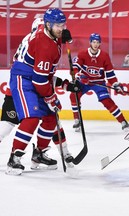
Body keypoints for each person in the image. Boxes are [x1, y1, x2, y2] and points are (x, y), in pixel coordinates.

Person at [6, 8, 80, 175]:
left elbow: (45, 75)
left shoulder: (44, 27)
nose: (61, 28)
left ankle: (39, 154)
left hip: (35, 76)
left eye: (63, 25)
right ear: (48, 25)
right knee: (31, 118)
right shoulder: (45, 45)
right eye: (58, 25)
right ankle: (14, 159)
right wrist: (51, 97)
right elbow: (39, 80)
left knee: (50, 117)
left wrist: (64, 84)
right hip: (23, 78)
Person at [69, 33, 129, 132]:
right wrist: (78, 75)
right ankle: (77, 120)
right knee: (73, 95)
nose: (95, 44)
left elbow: (110, 73)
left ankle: (123, 122)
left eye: (97, 42)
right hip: (84, 82)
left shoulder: (104, 56)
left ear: (100, 43)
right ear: (90, 42)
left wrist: (116, 84)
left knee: (106, 101)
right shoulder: (82, 54)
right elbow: (74, 68)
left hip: (99, 83)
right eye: (93, 42)